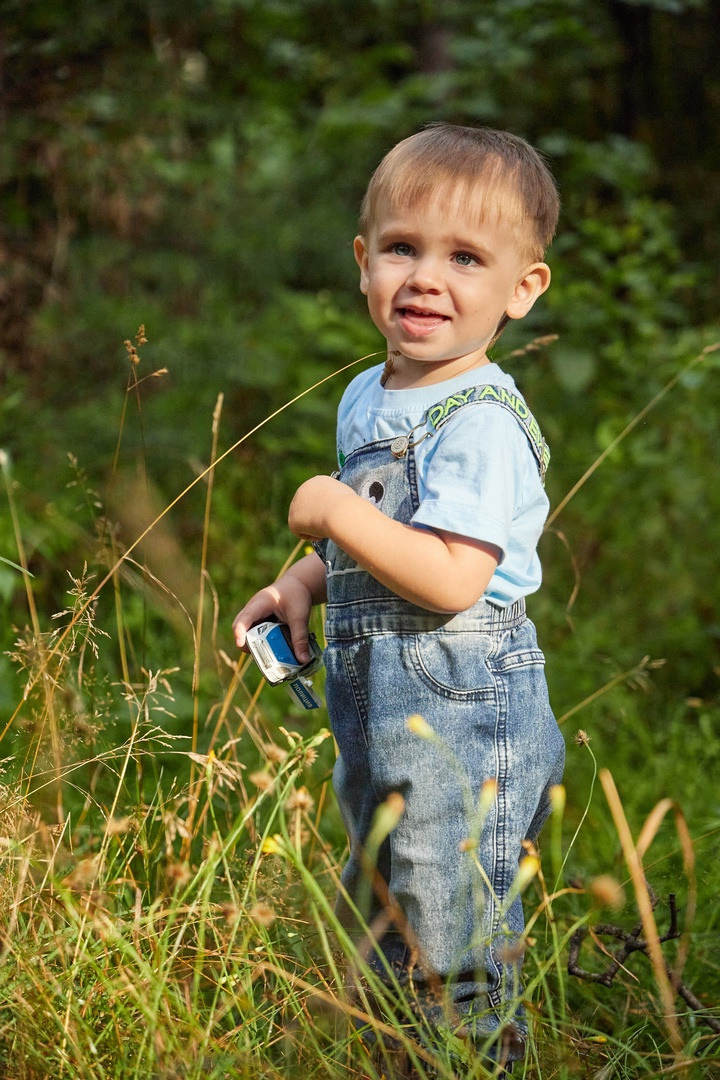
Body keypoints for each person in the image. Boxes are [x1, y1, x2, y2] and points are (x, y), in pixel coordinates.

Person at [233, 123, 566, 1073]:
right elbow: (394, 534)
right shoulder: (372, 397)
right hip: (384, 702)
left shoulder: (484, 419)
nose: (427, 278)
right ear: (363, 263)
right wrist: (302, 583)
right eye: (402, 249)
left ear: (521, 289)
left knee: (451, 926)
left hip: (464, 699)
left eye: (466, 257)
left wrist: (336, 512)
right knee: (387, 901)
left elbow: (453, 575)